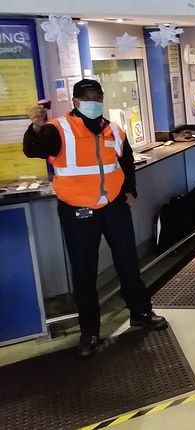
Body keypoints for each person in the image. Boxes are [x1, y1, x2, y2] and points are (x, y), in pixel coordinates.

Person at [23, 79, 168, 358]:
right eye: (88, 98)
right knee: (84, 271)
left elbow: (125, 162)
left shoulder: (113, 129)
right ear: (76, 101)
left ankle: (141, 313)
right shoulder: (59, 129)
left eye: (98, 97)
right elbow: (34, 149)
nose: (94, 102)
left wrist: (129, 191)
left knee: (128, 262)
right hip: (78, 210)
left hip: (113, 205)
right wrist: (37, 126)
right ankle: (89, 331)